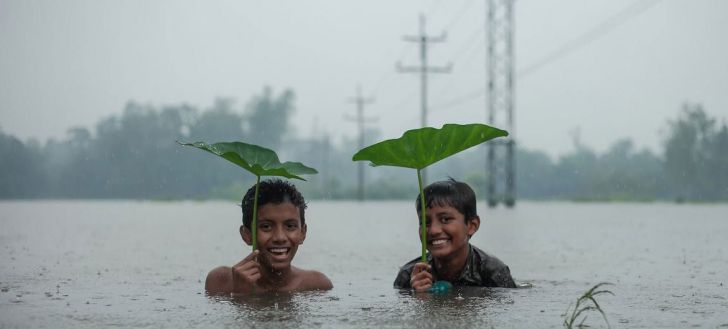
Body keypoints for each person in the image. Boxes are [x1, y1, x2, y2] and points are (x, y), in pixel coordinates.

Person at [205, 179, 333, 294]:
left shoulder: (317, 286)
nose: (280, 237)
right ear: (247, 234)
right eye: (266, 227)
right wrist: (241, 294)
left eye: (290, 226)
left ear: (303, 233)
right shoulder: (220, 282)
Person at [393, 179, 517, 291]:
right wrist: (418, 297)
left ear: (472, 225)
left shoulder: (493, 272)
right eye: (425, 222)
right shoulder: (408, 276)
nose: (433, 230)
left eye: (445, 219)